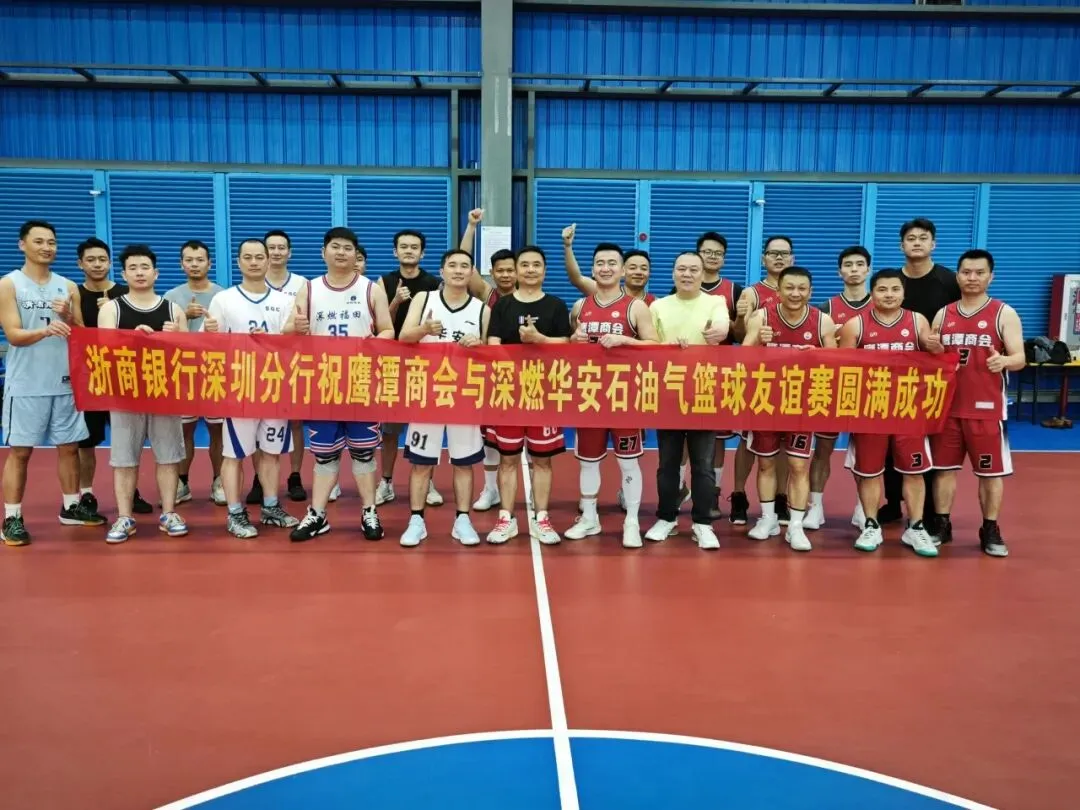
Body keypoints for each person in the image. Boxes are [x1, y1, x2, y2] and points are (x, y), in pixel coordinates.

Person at [285, 227, 394, 542]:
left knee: (363, 452)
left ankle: (369, 511)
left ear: (355, 254)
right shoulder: (309, 289)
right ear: (324, 252)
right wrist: (296, 327)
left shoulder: (371, 289)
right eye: (335, 247)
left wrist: (372, 344)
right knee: (324, 454)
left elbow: (388, 330)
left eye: (348, 248)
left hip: (361, 381)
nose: (341, 252)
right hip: (323, 382)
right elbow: (287, 331)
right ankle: (317, 514)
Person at [0, 220, 103, 545]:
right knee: (20, 452)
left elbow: (81, 333)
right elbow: (13, 334)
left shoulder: (68, 286)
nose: (47, 247)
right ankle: (12, 518)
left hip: (65, 382)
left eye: (52, 242)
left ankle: (71, 507)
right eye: (39, 241)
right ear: (22, 244)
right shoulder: (9, 285)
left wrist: (68, 318)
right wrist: (46, 330)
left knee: (69, 448)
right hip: (26, 384)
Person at [203, 239, 300, 539]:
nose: (255, 262)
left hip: (274, 388)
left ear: (269, 260)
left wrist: (272, 339)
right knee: (235, 454)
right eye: (248, 257)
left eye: (260, 257)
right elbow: (210, 346)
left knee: (271, 453)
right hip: (240, 389)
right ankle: (235, 513)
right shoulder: (224, 299)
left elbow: (294, 344)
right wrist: (211, 333)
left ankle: (270, 507)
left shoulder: (285, 301)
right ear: (239, 262)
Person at [930, 249, 1024, 558]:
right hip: (947, 408)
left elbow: (1020, 358)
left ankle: (990, 528)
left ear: (990, 277)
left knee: (990, 473)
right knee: (944, 471)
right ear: (957, 276)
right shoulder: (943, 314)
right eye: (966, 272)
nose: (972, 278)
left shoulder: (1003, 313)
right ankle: (942, 524)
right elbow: (933, 355)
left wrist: (1004, 361)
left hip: (986, 409)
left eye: (979, 272)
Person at [839, 269, 939, 557]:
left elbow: (935, 357)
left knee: (914, 471)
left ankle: (916, 527)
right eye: (882, 289)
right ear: (872, 293)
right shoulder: (855, 325)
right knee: (869, 472)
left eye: (895, 289)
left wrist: (937, 347)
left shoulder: (917, 321)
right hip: (870, 410)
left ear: (904, 293)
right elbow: (842, 368)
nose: (889, 295)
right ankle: (871, 525)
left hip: (909, 409)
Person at [565, 243, 659, 549]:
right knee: (588, 462)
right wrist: (573, 340)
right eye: (599, 263)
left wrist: (625, 341)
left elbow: (655, 346)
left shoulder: (636, 307)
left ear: (622, 270)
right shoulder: (580, 306)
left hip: (624, 397)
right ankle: (589, 517)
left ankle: (631, 522)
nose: (605, 268)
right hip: (590, 396)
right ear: (592, 269)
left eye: (611, 263)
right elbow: (570, 348)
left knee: (628, 463)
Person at [396, 249, 490, 547]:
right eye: (452, 265)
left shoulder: (482, 309)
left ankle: (462, 520)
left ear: (472, 272)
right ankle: (416, 520)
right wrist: (424, 329)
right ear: (442, 270)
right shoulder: (424, 299)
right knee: (421, 462)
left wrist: (479, 346)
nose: (458, 270)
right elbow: (403, 337)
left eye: (465, 266)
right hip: (427, 394)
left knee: (464, 462)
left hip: (464, 395)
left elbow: (491, 354)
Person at [742, 266, 837, 552]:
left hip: (802, 405)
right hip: (765, 402)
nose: (796, 293)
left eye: (802, 288)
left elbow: (837, 362)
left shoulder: (822, 321)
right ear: (779, 290)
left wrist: (818, 355)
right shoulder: (761, 317)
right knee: (766, 464)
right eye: (790, 287)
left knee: (798, 466)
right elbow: (742, 358)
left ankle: (795, 526)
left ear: (810, 291)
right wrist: (758, 341)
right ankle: (768, 519)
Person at [97, 245, 188, 543]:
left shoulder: (173, 310)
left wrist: (176, 338)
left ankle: (169, 512)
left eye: (145, 267)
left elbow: (190, 353)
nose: (139, 272)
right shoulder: (112, 309)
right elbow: (103, 349)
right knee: (124, 458)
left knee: (169, 456)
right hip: (125, 393)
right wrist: (131, 338)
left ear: (156, 273)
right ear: (123, 274)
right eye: (133, 268)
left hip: (164, 392)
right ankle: (125, 517)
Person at [485, 246, 572, 545]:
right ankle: (505, 519)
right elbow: (493, 344)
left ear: (545, 271)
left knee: (542, 461)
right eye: (525, 265)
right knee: (508, 459)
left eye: (537, 265)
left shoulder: (556, 306)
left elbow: (567, 344)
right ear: (517, 270)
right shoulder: (503, 306)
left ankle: (541, 518)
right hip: (508, 393)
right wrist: (516, 369)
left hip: (544, 394)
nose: (531, 269)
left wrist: (540, 339)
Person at [643, 251, 729, 550]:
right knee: (667, 462)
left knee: (703, 464)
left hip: (704, 392)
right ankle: (666, 518)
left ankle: (703, 523)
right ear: (673, 273)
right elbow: (649, 343)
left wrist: (716, 333)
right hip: (668, 392)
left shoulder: (715, 302)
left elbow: (722, 328)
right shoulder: (658, 306)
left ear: (702, 274)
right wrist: (666, 347)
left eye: (693, 269)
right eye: (681, 269)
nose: (687, 274)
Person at [885, 218, 962, 527]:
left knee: (928, 441)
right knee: (890, 440)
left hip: (933, 378)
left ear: (933, 244)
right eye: (910, 238)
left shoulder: (949, 281)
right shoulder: (892, 282)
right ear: (901, 245)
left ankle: (930, 512)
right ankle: (892, 503)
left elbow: (960, 318)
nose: (916, 242)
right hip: (892, 378)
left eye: (923, 238)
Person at [75, 237, 153, 517]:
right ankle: (86, 494)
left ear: (110, 264)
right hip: (91, 378)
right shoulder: (75, 294)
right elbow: (77, 334)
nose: (97, 264)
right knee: (87, 441)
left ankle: (131, 492)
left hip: (125, 380)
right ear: (80, 264)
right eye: (91, 260)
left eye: (102, 259)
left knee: (129, 440)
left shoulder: (125, 293)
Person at [729, 236, 796, 526]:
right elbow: (739, 336)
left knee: (783, 443)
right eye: (773, 253)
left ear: (792, 258)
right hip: (758, 380)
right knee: (747, 441)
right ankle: (739, 494)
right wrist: (744, 320)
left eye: (784, 253)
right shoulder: (752, 293)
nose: (778, 258)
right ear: (763, 259)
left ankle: (781, 497)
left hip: (791, 382)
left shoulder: (797, 289)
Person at [805, 245, 873, 530]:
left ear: (868, 269)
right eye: (848, 264)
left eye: (859, 264)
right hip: (832, 390)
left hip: (870, 390)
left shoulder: (881, 307)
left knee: (868, 454)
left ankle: (863, 508)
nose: (854, 269)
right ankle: (815, 507)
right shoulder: (825, 309)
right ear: (839, 271)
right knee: (822, 449)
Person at [376, 229, 445, 508]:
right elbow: (380, 324)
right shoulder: (384, 282)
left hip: (426, 364)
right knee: (390, 429)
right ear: (395, 251)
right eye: (403, 246)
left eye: (414, 247)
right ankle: (386, 482)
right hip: (394, 363)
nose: (408, 250)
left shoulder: (434, 284)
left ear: (422, 253)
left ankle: (427, 481)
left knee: (427, 425)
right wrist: (395, 301)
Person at [457, 208, 518, 510]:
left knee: (526, 440)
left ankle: (534, 495)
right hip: (491, 377)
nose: (505, 275)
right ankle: (491, 489)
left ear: (518, 271)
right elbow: (464, 263)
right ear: (492, 273)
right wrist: (471, 227)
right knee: (490, 435)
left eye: (510, 270)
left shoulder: (535, 298)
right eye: (500, 270)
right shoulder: (488, 294)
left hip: (527, 378)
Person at [244, 229, 307, 505]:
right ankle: (260, 479)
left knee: (295, 421)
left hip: (293, 363)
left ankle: (295, 475)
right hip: (258, 366)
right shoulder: (252, 284)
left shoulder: (302, 284)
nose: (277, 252)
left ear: (289, 252)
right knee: (259, 423)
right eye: (272, 248)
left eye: (282, 247)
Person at [164, 239, 224, 506]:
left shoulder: (222, 295)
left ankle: (220, 481)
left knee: (217, 430)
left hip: (215, 372)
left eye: (200, 260)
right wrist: (185, 317)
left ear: (209, 263)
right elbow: (163, 337)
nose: (194, 264)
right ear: (181, 264)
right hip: (183, 373)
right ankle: (182, 482)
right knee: (183, 431)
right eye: (189, 260)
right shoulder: (171, 297)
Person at [561, 224, 655, 303]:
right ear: (622, 270)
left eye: (644, 268)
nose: (638, 272)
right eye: (632, 268)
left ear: (650, 272)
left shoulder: (656, 304)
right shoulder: (605, 293)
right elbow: (577, 279)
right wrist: (568, 246)